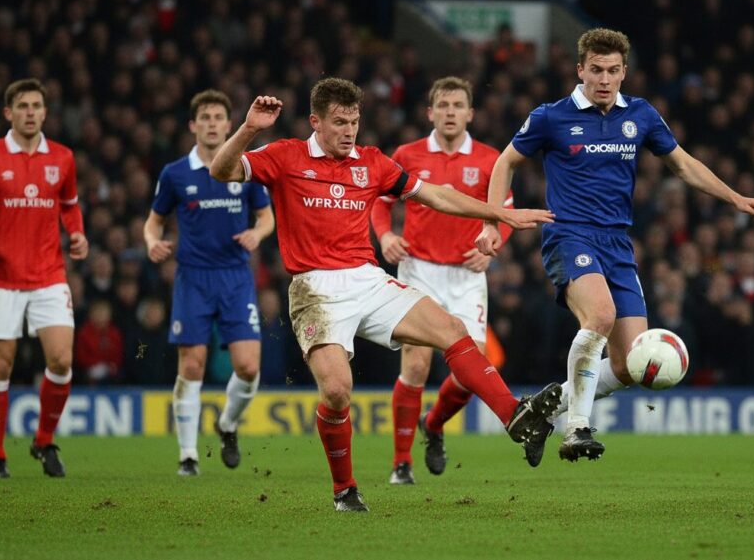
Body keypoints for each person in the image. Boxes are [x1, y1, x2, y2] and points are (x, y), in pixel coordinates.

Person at [208, 78, 562, 512]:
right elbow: (221, 171)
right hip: (315, 288)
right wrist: (248, 128)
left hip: (368, 279)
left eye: (354, 122)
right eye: (340, 123)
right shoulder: (285, 156)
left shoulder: (372, 162)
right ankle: (345, 489)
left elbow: (437, 196)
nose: (349, 131)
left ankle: (516, 417)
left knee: (452, 330)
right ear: (316, 122)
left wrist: (499, 215)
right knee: (337, 391)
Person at [476, 28, 754, 462]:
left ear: (624, 72)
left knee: (629, 365)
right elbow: (505, 162)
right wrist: (492, 221)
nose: (604, 79)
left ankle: (541, 411)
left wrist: (735, 197)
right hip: (569, 234)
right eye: (596, 70)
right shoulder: (551, 117)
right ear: (580, 70)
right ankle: (577, 428)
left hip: (617, 244)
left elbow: (683, 165)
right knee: (600, 314)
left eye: (613, 71)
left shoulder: (641, 115)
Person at [370, 76, 515, 484]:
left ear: (470, 113)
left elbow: (503, 213)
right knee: (416, 363)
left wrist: (493, 244)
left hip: (467, 274)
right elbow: (380, 202)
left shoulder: (490, 160)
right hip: (419, 270)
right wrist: (385, 236)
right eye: (444, 106)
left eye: (458, 106)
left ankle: (433, 424)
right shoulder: (408, 154)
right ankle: (402, 463)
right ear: (430, 112)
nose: (450, 112)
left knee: (474, 369)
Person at [0, 78, 89, 479]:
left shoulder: (62, 158)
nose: (30, 113)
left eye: (36, 106)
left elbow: (70, 205)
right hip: (0, 277)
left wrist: (77, 233)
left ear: (45, 112)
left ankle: (44, 441)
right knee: (0, 366)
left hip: (49, 275)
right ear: (8, 113)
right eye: (23, 106)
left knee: (61, 361)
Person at [144, 89, 275, 476]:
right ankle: (188, 456)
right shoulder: (175, 174)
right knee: (192, 365)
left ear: (229, 124)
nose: (212, 124)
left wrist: (257, 234)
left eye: (219, 117)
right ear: (193, 125)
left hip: (236, 277)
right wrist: (152, 242)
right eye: (205, 117)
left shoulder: (245, 167)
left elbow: (267, 217)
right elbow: (153, 222)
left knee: (248, 367)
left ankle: (227, 424)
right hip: (193, 279)